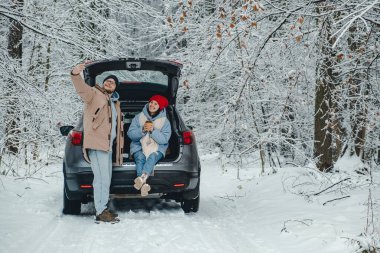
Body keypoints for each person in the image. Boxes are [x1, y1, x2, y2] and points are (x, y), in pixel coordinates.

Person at [70, 63, 124, 223]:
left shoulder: (113, 103)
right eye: (107, 81)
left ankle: (103, 208)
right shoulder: (93, 93)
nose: (109, 83)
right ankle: (100, 212)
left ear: (115, 88)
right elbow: (81, 89)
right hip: (97, 145)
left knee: (105, 179)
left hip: (107, 147)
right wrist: (75, 74)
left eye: (112, 82)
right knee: (101, 179)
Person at [127, 95, 171, 196]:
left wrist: (152, 130)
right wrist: (142, 130)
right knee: (140, 158)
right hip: (139, 147)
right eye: (151, 102)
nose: (152, 105)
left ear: (160, 106)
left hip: (158, 148)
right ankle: (144, 185)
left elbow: (164, 139)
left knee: (152, 157)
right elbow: (130, 134)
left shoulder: (165, 122)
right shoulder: (138, 117)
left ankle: (141, 181)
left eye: (156, 104)